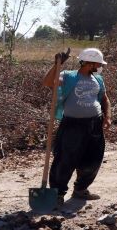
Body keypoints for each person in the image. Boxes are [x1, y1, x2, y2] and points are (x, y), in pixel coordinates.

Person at [42, 48, 111, 208]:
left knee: (93, 160)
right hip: (72, 125)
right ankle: (57, 194)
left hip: (94, 124)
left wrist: (107, 117)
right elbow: (47, 83)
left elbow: (105, 99)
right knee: (65, 160)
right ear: (89, 62)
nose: (100, 66)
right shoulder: (68, 76)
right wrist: (56, 65)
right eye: (99, 63)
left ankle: (80, 189)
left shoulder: (98, 79)